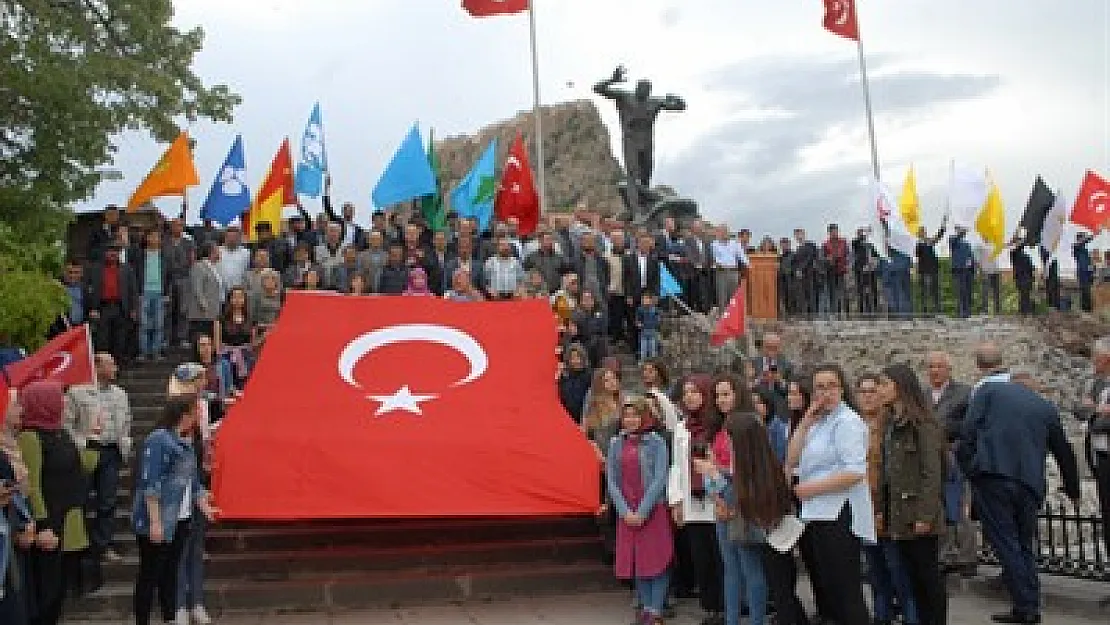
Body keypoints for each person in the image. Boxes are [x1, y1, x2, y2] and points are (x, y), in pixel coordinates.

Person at [956, 342, 1081, 624]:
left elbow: (968, 431)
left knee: (1007, 544)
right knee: (1023, 544)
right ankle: (1030, 602)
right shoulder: (1045, 407)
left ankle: (1026, 607)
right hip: (1029, 483)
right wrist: (1072, 490)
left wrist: (971, 469)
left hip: (994, 478)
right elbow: (1064, 452)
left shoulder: (988, 390)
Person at [785, 365, 873, 625]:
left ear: (842, 389)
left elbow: (855, 472)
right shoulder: (818, 422)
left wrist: (811, 488)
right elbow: (792, 458)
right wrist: (804, 423)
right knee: (829, 587)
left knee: (846, 589)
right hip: (817, 512)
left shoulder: (848, 422)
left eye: (831, 386)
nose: (826, 392)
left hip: (840, 511)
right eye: (820, 387)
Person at [17, 380, 99, 625]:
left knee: (60, 592)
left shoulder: (62, 433)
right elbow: (32, 486)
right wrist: (42, 525)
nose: (64, 404)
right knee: (47, 594)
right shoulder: (30, 438)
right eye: (58, 398)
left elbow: (86, 464)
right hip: (50, 524)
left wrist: (93, 437)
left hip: (71, 521)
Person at [131, 396, 218, 625]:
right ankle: (142, 619)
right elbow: (150, 483)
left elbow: (193, 482)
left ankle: (169, 617)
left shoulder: (186, 442)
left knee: (170, 574)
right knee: (150, 574)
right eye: (195, 412)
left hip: (181, 518)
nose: (199, 417)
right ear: (184, 415)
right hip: (158, 519)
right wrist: (155, 522)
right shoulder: (158, 440)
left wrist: (205, 506)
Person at [877, 364, 948, 625]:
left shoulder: (923, 424)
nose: (880, 390)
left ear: (900, 387)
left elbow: (932, 472)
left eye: (885, 384)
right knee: (912, 578)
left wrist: (925, 515)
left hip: (918, 512)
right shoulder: (891, 424)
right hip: (899, 513)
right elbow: (888, 474)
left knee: (928, 576)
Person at [857, 373, 919, 625]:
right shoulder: (854, 424)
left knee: (898, 569)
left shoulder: (892, 425)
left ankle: (910, 615)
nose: (868, 396)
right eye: (863, 391)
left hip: (890, 506)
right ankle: (882, 615)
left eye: (873, 390)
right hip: (864, 506)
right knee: (875, 570)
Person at [605, 396, 673, 625]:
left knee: (657, 559)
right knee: (637, 561)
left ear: (644, 416)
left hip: (653, 510)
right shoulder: (616, 443)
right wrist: (624, 511)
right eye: (627, 415)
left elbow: (660, 478)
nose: (631, 420)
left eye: (635, 415)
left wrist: (643, 510)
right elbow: (612, 481)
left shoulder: (656, 442)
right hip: (627, 511)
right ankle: (645, 608)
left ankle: (656, 611)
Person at [924, 351, 976, 577]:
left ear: (948, 369)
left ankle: (966, 557)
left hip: (955, 455)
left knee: (960, 506)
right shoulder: (923, 395)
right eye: (931, 367)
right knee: (938, 506)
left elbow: (969, 425)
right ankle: (943, 555)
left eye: (939, 366)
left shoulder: (964, 393)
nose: (935, 371)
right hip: (930, 457)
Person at [1081, 338, 1110, 608]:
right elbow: (1080, 411)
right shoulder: (1097, 383)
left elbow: (1102, 424)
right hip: (1100, 460)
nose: (1093, 363)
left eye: (1096, 358)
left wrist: (1097, 415)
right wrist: (1096, 412)